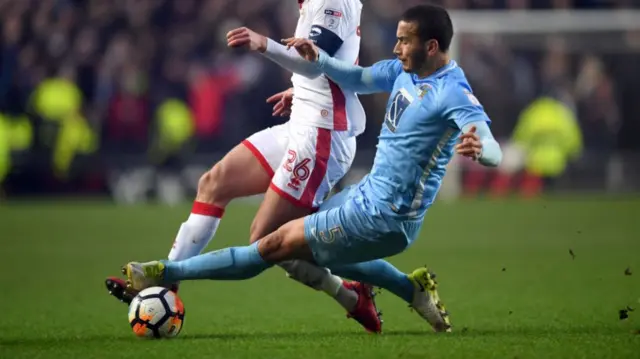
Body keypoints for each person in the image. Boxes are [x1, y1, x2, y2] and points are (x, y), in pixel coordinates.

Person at [121, 4, 503, 333]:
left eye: (404, 41)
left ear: (431, 46)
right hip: (366, 195)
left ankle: (163, 272)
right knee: (300, 248)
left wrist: (481, 149)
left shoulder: (451, 91)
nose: (396, 47)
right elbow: (357, 77)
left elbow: (491, 145)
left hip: (385, 217)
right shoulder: (405, 71)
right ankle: (409, 289)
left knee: (270, 244)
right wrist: (317, 63)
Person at [106, 0, 383, 332]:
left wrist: (262, 43)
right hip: (303, 124)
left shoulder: (331, 1)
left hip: (322, 138)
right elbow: (330, 64)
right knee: (214, 182)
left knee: (267, 241)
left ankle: (353, 295)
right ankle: (164, 286)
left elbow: (313, 62)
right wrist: (300, 92)